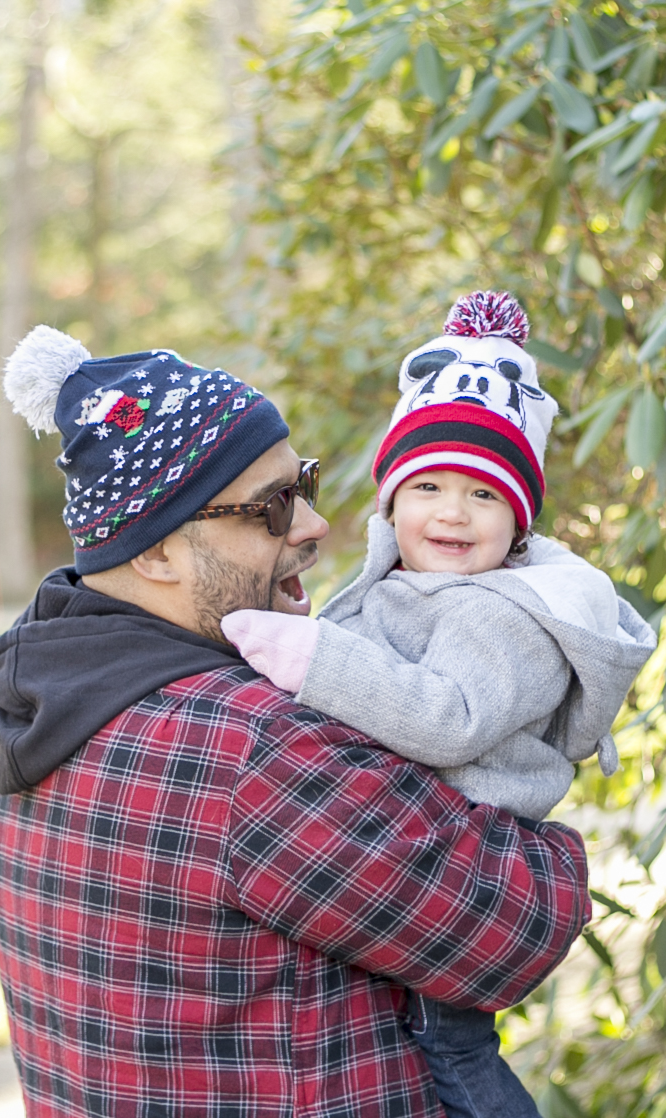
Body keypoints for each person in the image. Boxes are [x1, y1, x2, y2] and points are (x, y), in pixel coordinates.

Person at [0, 321, 593, 1118]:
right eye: (270, 507)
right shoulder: (253, 749)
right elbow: (518, 927)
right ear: (154, 552)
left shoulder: (36, 699)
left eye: (300, 483)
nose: (310, 525)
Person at [221, 291, 657, 1118]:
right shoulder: (399, 576)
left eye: (483, 495)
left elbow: (442, 716)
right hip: (405, 846)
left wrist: (308, 655)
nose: (451, 512)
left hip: (460, 866)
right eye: (427, 486)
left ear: (518, 519)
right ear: (390, 498)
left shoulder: (510, 613)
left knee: (454, 1061)